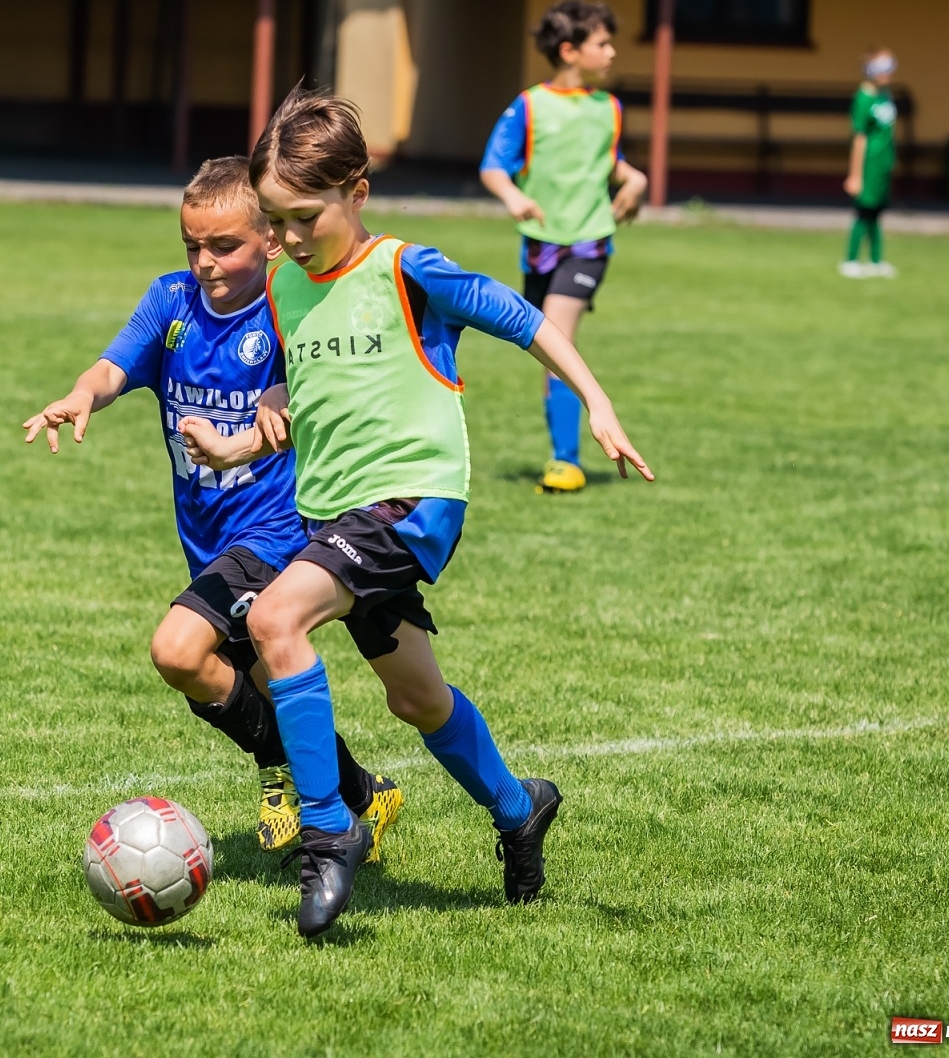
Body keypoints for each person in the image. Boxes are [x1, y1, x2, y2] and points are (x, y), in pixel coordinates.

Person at [179, 89, 654, 937]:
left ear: (357, 192)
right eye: (276, 221)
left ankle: (329, 832)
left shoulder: (407, 270)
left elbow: (523, 318)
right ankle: (519, 807)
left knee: (278, 616)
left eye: (301, 218)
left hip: (411, 501)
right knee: (417, 699)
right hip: (335, 513)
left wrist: (597, 402)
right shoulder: (288, 289)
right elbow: (300, 393)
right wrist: (238, 446)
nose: (286, 239)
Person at [22, 157, 402, 861]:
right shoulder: (170, 301)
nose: (204, 262)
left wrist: (257, 427)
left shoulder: (293, 310)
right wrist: (82, 395)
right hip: (205, 533)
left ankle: (282, 776)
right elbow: (113, 367)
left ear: (269, 239)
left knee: (178, 649)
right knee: (260, 678)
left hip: (277, 528)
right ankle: (364, 794)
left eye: (223, 246)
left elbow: (301, 398)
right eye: (191, 244)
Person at [480, 0, 646, 495]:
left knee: (558, 335)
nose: (613, 52)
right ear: (570, 51)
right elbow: (494, 165)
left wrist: (633, 179)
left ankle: (565, 462)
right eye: (603, 43)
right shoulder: (529, 106)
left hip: (589, 241)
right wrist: (513, 196)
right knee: (549, 349)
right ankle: (563, 452)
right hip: (539, 246)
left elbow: (608, 162)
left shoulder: (609, 108)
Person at [842, 49, 899, 279]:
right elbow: (859, 138)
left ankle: (876, 260)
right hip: (868, 164)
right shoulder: (863, 99)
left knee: (876, 212)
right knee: (863, 212)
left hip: (883, 164)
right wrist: (855, 175)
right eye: (882, 69)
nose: (888, 73)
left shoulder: (885, 95)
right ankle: (851, 260)